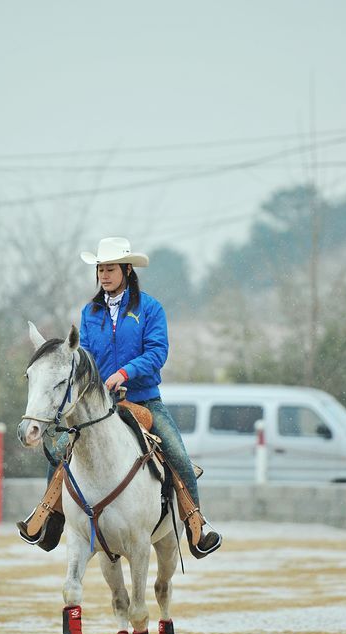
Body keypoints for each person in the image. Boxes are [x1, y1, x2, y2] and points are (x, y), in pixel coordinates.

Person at [42, 236, 221, 559]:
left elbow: (157, 352)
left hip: (144, 399)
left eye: (110, 269)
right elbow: (88, 357)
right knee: (62, 448)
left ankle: (197, 525)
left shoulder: (150, 308)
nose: (104, 275)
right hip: (101, 404)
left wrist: (124, 373)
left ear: (126, 269)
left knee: (177, 453)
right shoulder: (90, 312)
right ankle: (47, 518)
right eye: (100, 269)